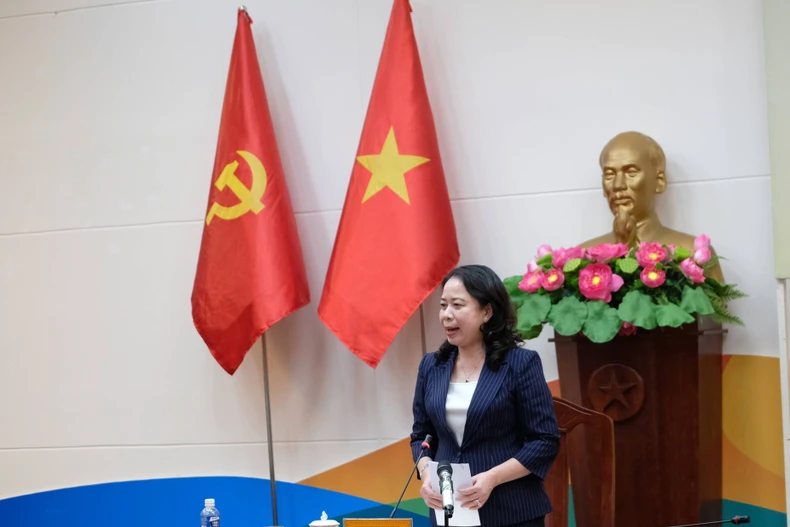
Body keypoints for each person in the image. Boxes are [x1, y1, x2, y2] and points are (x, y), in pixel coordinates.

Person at [410, 264, 560, 527]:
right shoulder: (431, 366)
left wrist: (492, 478)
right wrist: (426, 473)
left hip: (511, 510)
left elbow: (545, 440)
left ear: (487, 312)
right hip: (449, 511)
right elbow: (421, 436)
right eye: (443, 305)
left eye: (457, 305)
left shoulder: (519, 364)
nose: (446, 315)